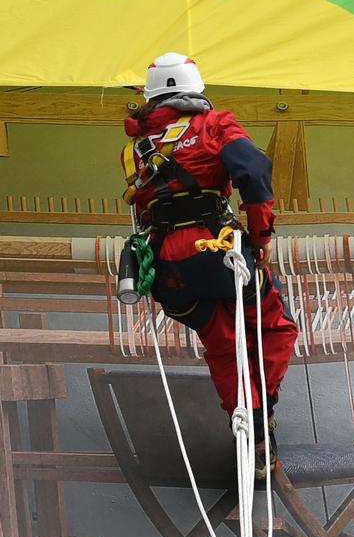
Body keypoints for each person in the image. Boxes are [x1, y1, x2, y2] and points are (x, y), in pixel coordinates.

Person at [121, 52, 298, 475]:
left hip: (167, 268)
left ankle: (253, 436)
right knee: (275, 328)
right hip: (217, 252)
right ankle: (263, 413)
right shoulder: (215, 124)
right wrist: (262, 234)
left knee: (222, 347)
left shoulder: (135, 149)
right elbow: (252, 171)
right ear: (196, 89)